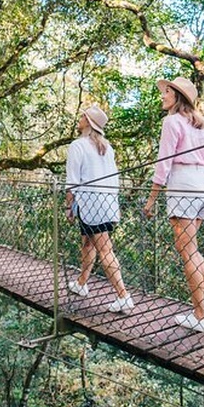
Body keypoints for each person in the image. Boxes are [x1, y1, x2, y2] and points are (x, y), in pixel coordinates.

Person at [142, 77, 204, 333]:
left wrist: (151, 200)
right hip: (203, 185)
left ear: (177, 96)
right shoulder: (201, 125)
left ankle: (200, 315)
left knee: (187, 252)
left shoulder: (171, 122)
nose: (162, 96)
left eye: (166, 92)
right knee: (191, 248)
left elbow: (164, 162)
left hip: (183, 184)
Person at [65, 104, 134, 313]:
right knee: (88, 244)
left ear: (89, 122)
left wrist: (69, 206)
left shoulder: (77, 146)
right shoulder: (107, 147)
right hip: (105, 202)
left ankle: (123, 296)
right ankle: (81, 283)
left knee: (105, 249)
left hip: (89, 204)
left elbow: (72, 180)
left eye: (83, 116)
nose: (80, 118)